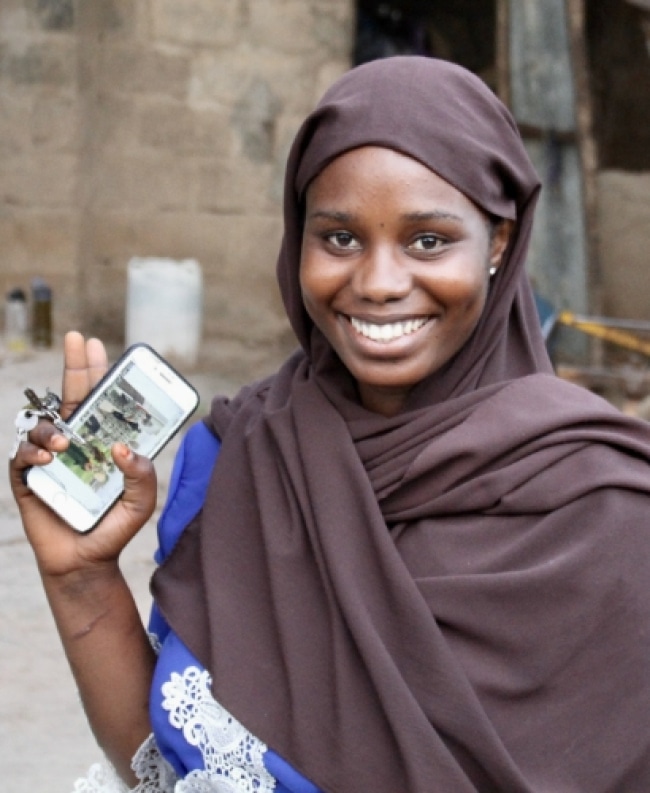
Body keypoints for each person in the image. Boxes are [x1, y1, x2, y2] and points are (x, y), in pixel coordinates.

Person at [9, 56, 650, 792]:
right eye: (340, 238)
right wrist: (83, 581)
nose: (377, 283)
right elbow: (168, 771)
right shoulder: (241, 455)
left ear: (500, 241)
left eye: (428, 240)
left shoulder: (610, 512)